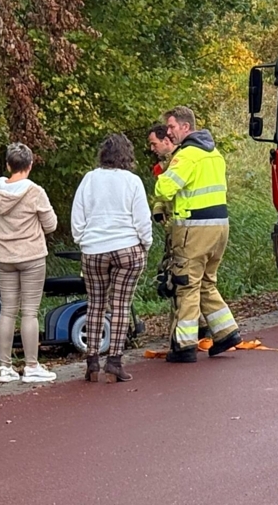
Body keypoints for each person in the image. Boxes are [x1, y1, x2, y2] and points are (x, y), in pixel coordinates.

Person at [155, 106, 241, 363]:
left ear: (185, 127)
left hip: (194, 229)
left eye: (171, 127)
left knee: (186, 284)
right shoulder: (214, 153)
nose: (168, 132)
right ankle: (226, 332)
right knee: (206, 282)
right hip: (219, 227)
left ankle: (184, 346)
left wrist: (161, 177)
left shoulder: (187, 155)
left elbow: (165, 188)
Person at [72, 134, 153, 382]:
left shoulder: (89, 179)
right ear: (127, 155)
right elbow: (142, 219)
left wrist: (83, 240)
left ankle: (92, 361)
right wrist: (145, 245)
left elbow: (77, 216)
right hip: (127, 248)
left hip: (94, 250)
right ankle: (115, 362)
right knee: (121, 305)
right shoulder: (132, 181)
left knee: (95, 304)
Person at [0, 143, 58, 383]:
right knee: (29, 312)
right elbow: (51, 225)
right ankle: (31, 366)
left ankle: (5, 367)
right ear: (30, 165)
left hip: (4, 257)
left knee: (7, 310)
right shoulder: (34, 191)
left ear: (8, 165)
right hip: (31, 257)